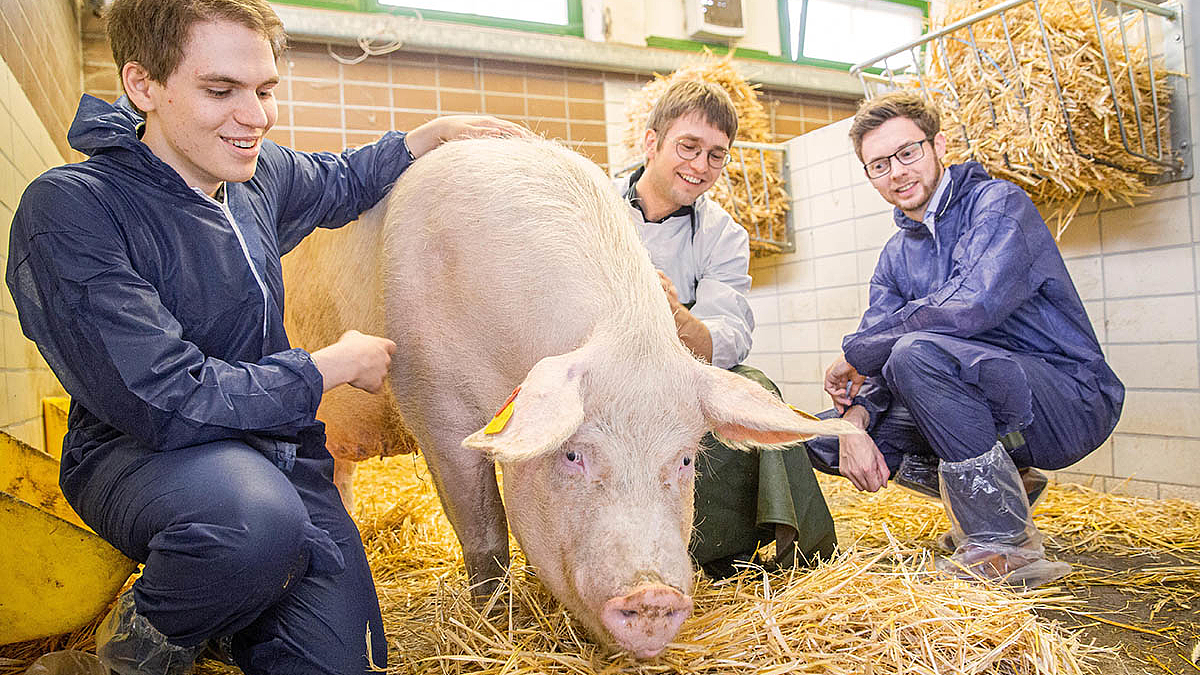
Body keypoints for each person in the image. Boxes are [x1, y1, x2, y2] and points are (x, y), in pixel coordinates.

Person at [5, 1, 527, 673]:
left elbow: (337, 180)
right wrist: (322, 370)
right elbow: (163, 397)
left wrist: (421, 140)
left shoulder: (253, 177)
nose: (256, 116)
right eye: (221, 90)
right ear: (143, 86)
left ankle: (228, 609)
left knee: (350, 660)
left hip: (276, 450)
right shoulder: (77, 208)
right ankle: (133, 650)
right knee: (252, 525)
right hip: (142, 455)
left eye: (265, 89)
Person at [804, 91, 1124, 587]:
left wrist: (857, 353)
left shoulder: (997, 206)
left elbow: (971, 304)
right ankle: (1006, 486)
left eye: (907, 152)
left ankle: (1003, 546)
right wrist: (856, 419)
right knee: (823, 438)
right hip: (982, 402)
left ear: (939, 145)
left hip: (1066, 398)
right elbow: (881, 356)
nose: (897, 172)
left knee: (917, 353)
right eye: (879, 165)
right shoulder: (895, 255)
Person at [615, 80, 836, 578]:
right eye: (688, 148)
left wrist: (672, 313)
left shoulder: (723, 234)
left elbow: (731, 334)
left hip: (679, 370)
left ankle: (798, 560)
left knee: (757, 387)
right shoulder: (597, 207)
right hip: (608, 369)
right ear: (651, 143)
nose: (700, 167)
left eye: (716, 156)